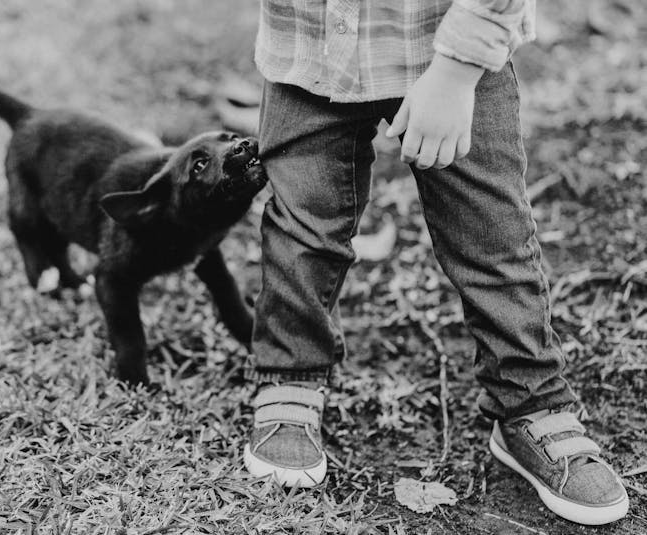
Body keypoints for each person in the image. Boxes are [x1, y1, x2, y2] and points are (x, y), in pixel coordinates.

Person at [242, 0, 629, 526]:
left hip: (449, 54)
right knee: (302, 229)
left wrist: (455, 74)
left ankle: (530, 402)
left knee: (491, 237)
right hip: (307, 47)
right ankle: (291, 371)